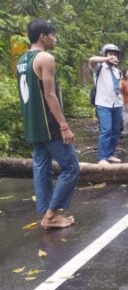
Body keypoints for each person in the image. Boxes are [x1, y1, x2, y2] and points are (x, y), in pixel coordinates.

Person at [16, 19, 79, 228]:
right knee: (70, 168)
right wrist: (64, 125)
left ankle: (47, 215)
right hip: (48, 124)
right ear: (43, 36)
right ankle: (52, 215)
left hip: (32, 124)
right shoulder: (45, 58)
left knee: (41, 168)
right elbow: (50, 95)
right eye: (52, 34)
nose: (55, 38)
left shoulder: (22, 59)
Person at [89, 43, 124, 165]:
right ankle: (102, 157)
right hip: (103, 104)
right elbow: (91, 59)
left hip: (117, 104)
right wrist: (106, 59)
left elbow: (118, 87)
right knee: (106, 130)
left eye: (115, 54)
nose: (113, 56)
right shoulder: (98, 68)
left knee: (115, 130)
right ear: (104, 55)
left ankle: (110, 154)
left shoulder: (117, 71)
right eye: (110, 54)